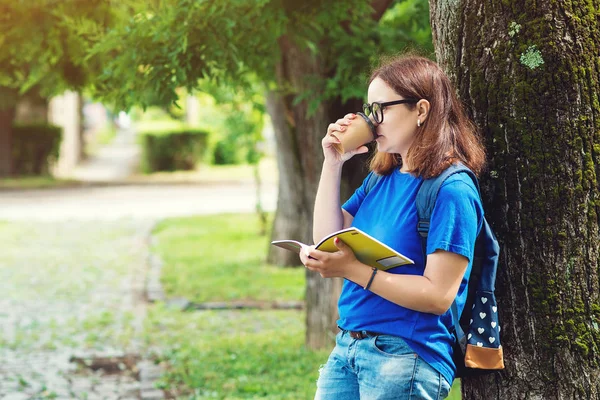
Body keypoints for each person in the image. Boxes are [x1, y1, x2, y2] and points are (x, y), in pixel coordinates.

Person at [300, 54, 486, 400]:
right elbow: (327, 238)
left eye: (381, 109)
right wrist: (333, 163)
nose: (373, 122)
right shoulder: (381, 177)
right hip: (348, 347)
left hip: (405, 356)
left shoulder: (451, 189)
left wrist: (353, 270)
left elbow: (438, 296)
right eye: (369, 110)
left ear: (421, 110)